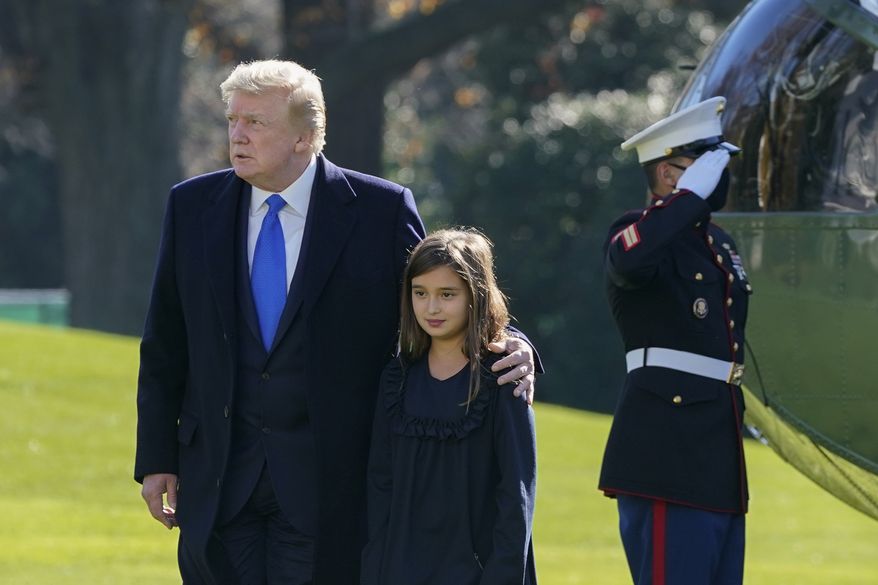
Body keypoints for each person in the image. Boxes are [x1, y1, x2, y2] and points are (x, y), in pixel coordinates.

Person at [133, 59, 538, 585]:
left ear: (304, 136)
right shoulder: (190, 206)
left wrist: (513, 343)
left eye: (255, 122)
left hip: (330, 488)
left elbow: (440, 294)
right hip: (217, 480)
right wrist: (157, 457)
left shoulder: (380, 209)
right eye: (232, 120)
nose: (237, 135)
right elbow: (165, 342)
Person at [598, 96, 752, 585]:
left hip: (717, 450)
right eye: (708, 165)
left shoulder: (717, 243)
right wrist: (685, 201)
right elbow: (629, 264)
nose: (720, 177)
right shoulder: (635, 232)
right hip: (667, 449)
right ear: (668, 173)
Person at [361, 228, 537, 585]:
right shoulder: (396, 379)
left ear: (477, 295)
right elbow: (381, 486)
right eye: (420, 293)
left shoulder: (503, 377)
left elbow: (516, 495)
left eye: (447, 294)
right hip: (400, 571)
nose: (431, 307)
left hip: (477, 572)